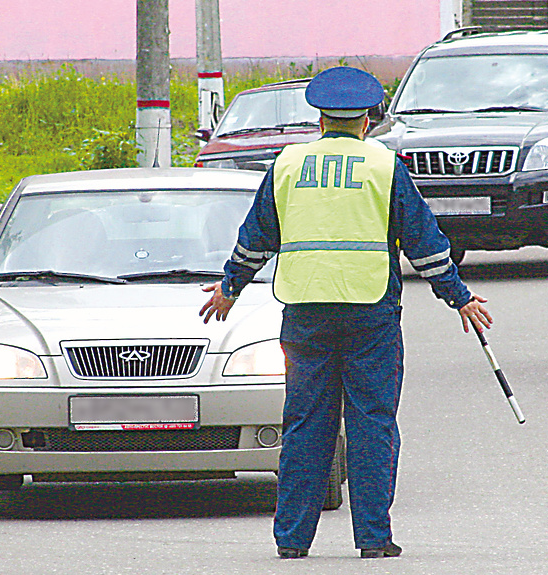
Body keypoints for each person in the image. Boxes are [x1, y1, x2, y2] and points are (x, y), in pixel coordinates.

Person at [199, 66, 492, 559]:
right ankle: (374, 540)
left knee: (305, 425)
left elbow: (256, 237)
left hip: (306, 313)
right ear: (366, 120)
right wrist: (458, 296)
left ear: (319, 120)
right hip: (370, 312)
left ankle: (292, 542)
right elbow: (424, 243)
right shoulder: (384, 165)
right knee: (371, 422)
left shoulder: (288, 165)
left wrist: (230, 287)